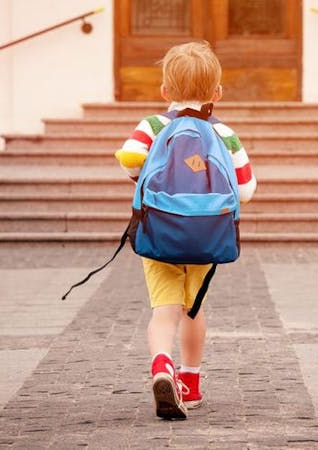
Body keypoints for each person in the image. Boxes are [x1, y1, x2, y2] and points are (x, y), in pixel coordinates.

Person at [114, 41, 257, 420]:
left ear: (164, 92)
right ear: (217, 93)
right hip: (206, 236)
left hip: (159, 233)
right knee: (193, 309)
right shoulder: (223, 133)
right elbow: (245, 189)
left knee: (164, 311)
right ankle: (190, 383)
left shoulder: (153, 125)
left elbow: (129, 157)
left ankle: (162, 366)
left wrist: (142, 178)